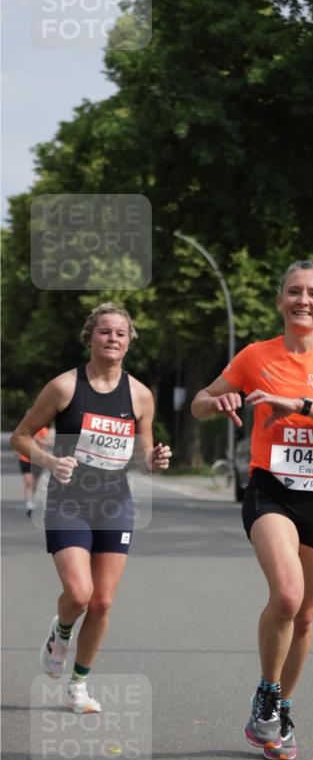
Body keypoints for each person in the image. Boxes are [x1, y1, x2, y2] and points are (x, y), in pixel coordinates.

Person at [192, 259, 313, 760]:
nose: (303, 300)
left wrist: (302, 405)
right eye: (294, 291)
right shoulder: (255, 355)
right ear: (280, 300)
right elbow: (201, 401)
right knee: (288, 597)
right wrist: (216, 404)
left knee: (307, 616)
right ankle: (267, 694)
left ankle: (281, 710)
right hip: (271, 487)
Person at [10, 303, 171, 714]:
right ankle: (60, 632)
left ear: (129, 340)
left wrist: (153, 461)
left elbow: (141, 456)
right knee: (79, 594)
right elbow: (21, 436)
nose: (112, 339)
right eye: (105, 332)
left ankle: (79, 683)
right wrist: (50, 461)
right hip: (68, 502)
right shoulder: (64, 387)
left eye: (120, 333)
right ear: (90, 337)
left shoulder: (140, 395)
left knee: (102, 602)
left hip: (115, 503)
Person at [17, 426, 49, 517]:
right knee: (28, 482)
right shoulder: (24, 429)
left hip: (37, 460)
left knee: (34, 483)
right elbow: (17, 441)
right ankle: (29, 504)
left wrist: (39, 440)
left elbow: (48, 443)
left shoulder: (43, 430)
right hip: (25, 459)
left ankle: (32, 498)